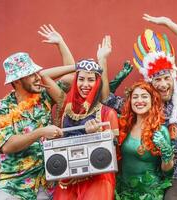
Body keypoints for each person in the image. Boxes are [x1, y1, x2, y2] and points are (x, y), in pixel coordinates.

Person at [103, 14, 177, 200]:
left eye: (167, 78)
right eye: (158, 79)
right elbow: (107, 99)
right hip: (176, 179)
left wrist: (169, 23)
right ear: (151, 83)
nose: (163, 84)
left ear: (173, 77)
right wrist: (104, 61)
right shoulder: (145, 106)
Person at [0, 25, 76, 200]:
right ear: (18, 81)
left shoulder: (44, 96)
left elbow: (71, 77)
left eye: (36, 72)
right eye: (31, 74)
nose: (38, 77)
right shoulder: (2, 108)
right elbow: (7, 146)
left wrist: (61, 44)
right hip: (11, 186)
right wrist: (41, 132)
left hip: (42, 185)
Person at [46, 36, 119, 200]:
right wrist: (75, 65)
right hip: (67, 177)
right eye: (81, 79)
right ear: (75, 80)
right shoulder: (65, 106)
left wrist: (96, 135)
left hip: (97, 179)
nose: (85, 84)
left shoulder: (107, 114)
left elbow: (114, 155)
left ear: (97, 83)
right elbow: (43, 76)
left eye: (91, 80)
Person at [115, 81, 173, 200]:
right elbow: (104, 100)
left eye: (144, 96)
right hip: (124, 192)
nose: (139, 100)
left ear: (152, 101)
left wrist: (166, 152)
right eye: (135, 97)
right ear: (130, 101)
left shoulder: (161, 130)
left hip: (150, 194)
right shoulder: (124, 125)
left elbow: (167, 172)